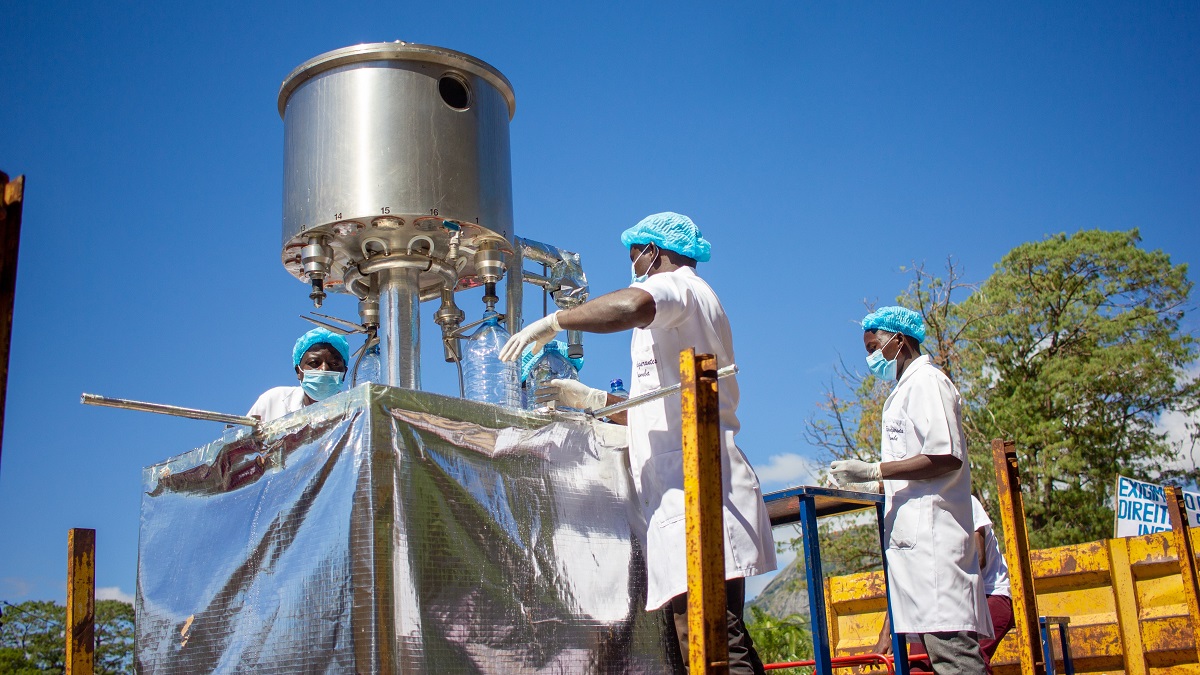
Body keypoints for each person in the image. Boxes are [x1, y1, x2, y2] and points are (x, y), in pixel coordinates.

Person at [499, 212, 776, 674]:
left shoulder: (680, 287)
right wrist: (592, 398)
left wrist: (555, 321)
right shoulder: (677, 319)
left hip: (698, 487)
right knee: (704, 636)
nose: (633, 265)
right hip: (680, 490)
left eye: (635, 255)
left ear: (655, 251)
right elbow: (658, 404)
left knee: (713, 637)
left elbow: (629, 305)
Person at [828, 306, 991, 674]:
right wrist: (873, 481)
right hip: (917, 551)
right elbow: (914, 466)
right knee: (938, 658)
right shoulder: (905, 389)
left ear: (899, 341)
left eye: (874, 348)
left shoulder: (927, 382)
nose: (871, 358)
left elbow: (946, 456)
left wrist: (875, 468)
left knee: (954, 658)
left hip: (935, 546)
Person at [876, 495, 1014, 673]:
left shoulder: (962, 501)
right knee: (919, 669)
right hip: (939, 601)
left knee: (964, 659)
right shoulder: (911, 518)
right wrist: (886, 633)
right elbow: (903, 579)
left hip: (987, 594)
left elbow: (978, 559)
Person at [247, 327, 350, 422]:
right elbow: (241, 439)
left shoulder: (354, 412)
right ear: (298, 371)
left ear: (344, 373)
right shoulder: (273, 401)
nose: (324, 369)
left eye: (334, 364)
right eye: (314, 363)